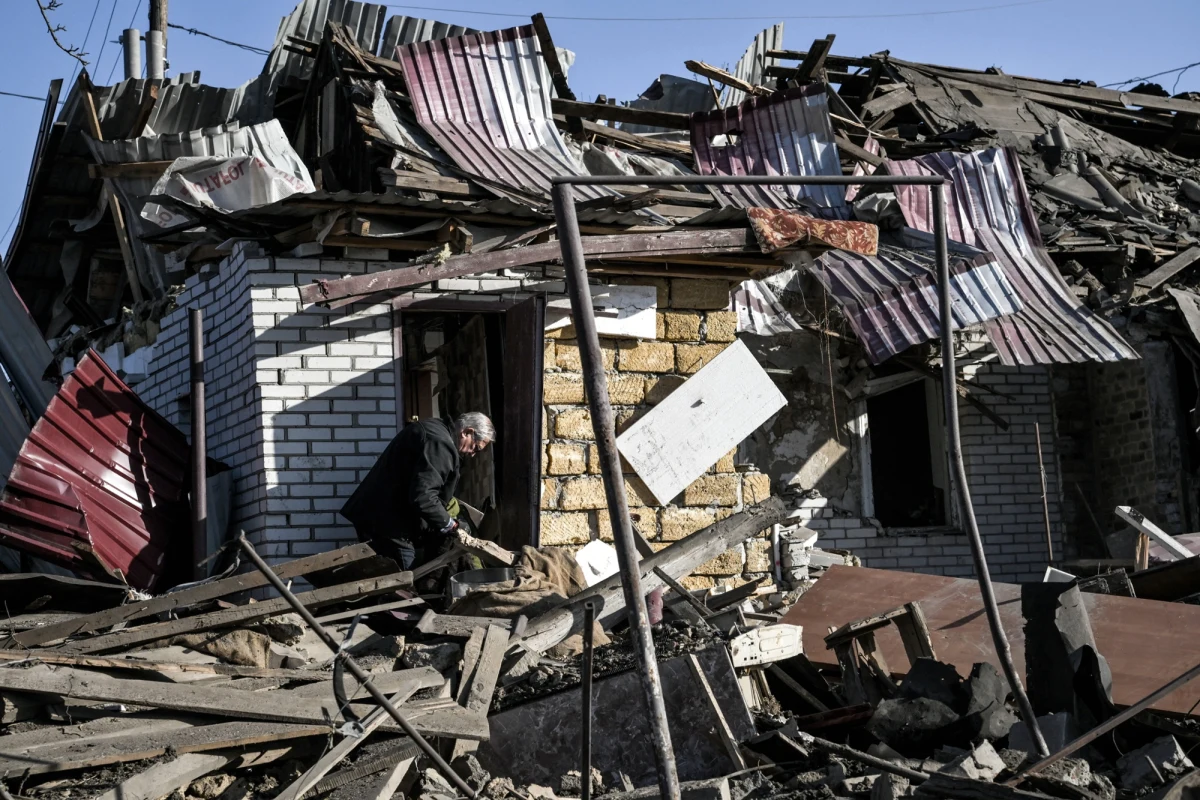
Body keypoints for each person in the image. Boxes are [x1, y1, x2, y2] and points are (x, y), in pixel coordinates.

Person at [340, 411, 494, 570]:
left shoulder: (436, 429)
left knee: (389, 575)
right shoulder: (441, 444)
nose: (473, 454)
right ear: (467, 432)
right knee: (405, 579)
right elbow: (424, 497)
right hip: (388, 522)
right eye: (475, 448)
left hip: (380, 516)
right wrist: (452, 525)